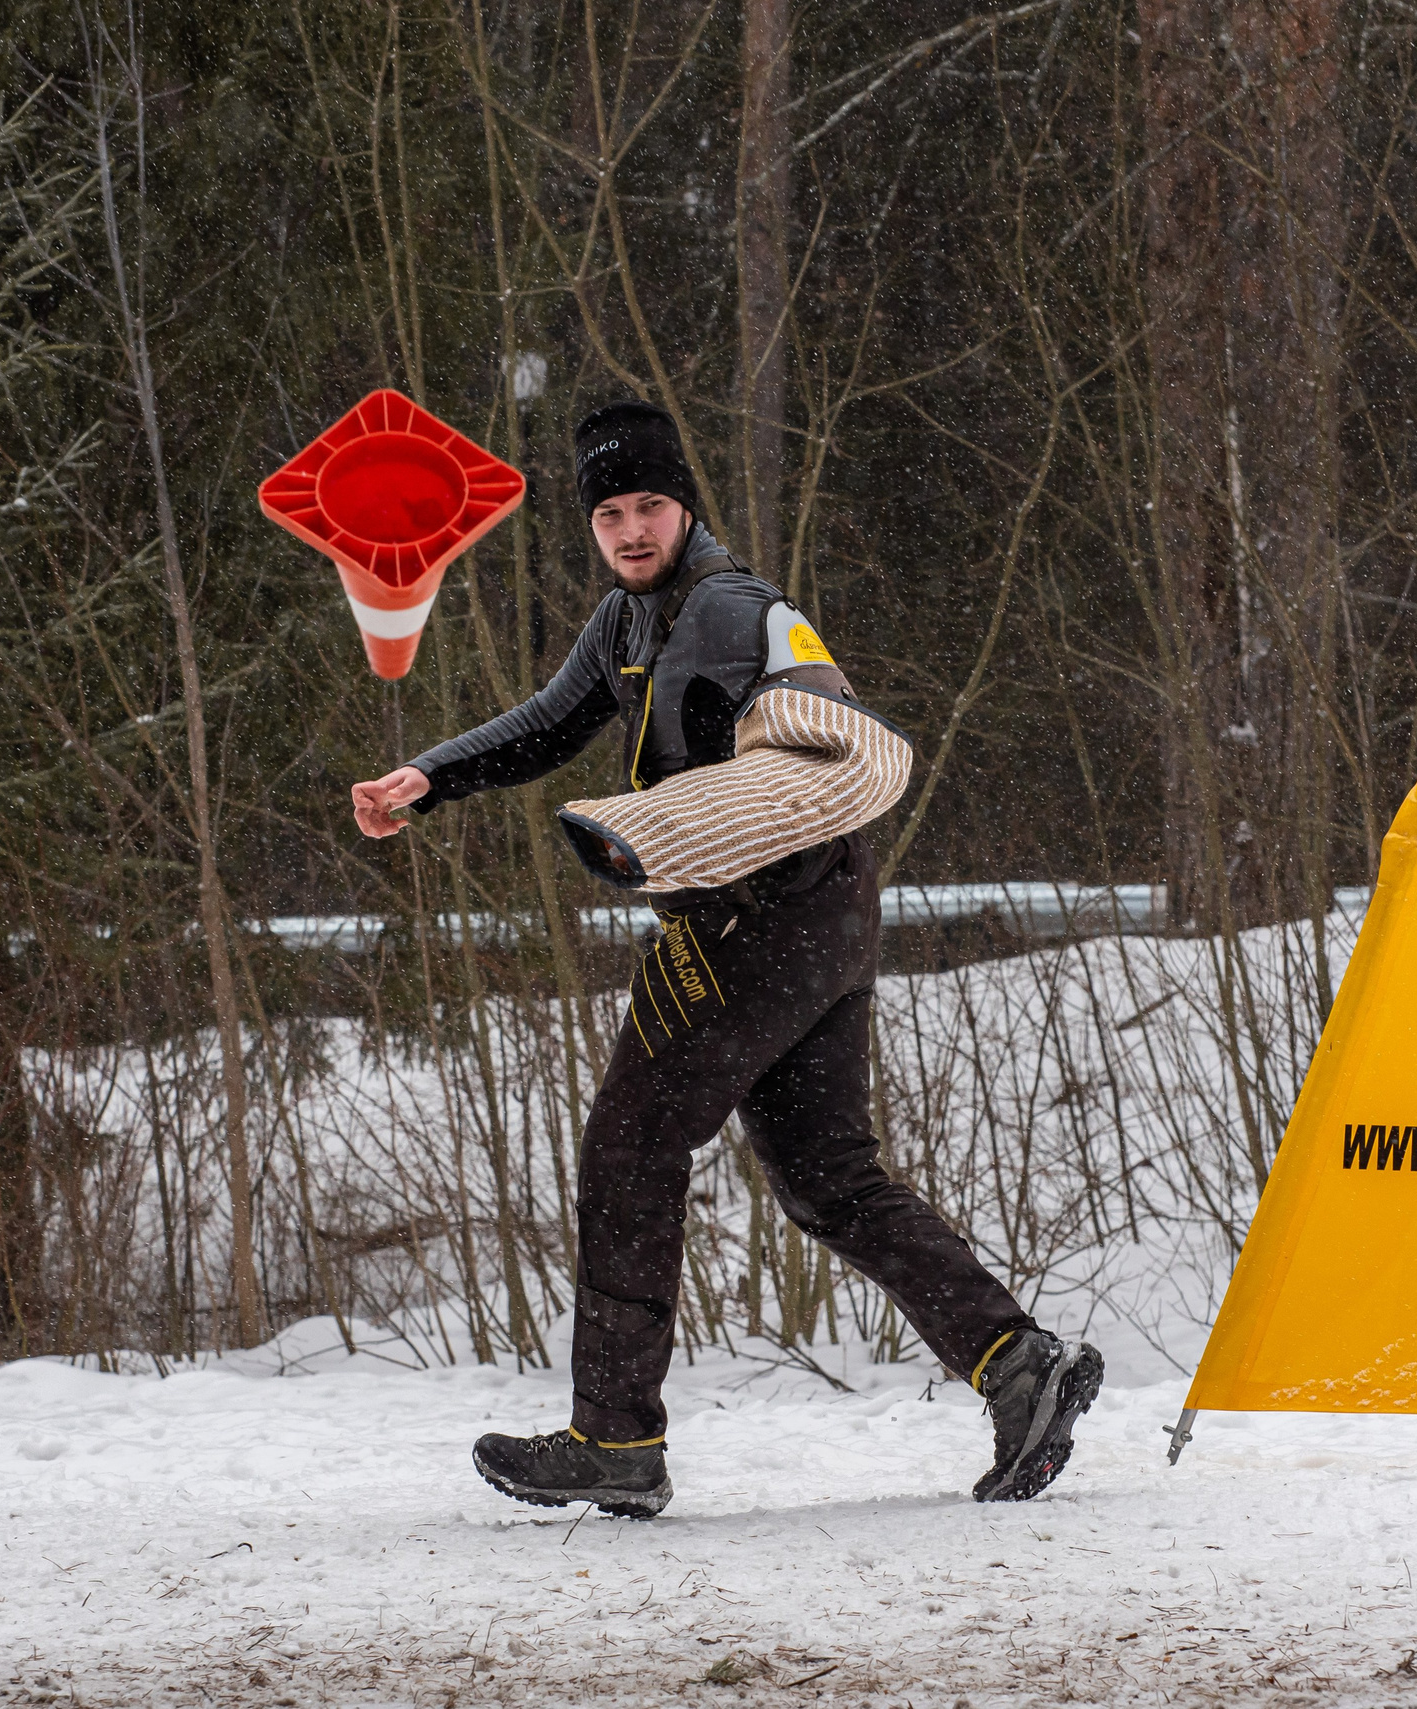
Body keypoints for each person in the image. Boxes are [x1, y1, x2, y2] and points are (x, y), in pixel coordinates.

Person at [348, 400, 1103, 1518]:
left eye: (648, 504)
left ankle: (615, 1435)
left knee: (630, 1143)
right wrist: (429, 773)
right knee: (827, 1175)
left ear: (684, 504)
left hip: (756, 922)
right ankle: (1017, 1362)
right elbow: (551, 722)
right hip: (824, 921)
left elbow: (812, 722)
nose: (631, 528)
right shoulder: (626, 622)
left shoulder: (732, 611)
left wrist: (657, 833)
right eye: (609, 513)